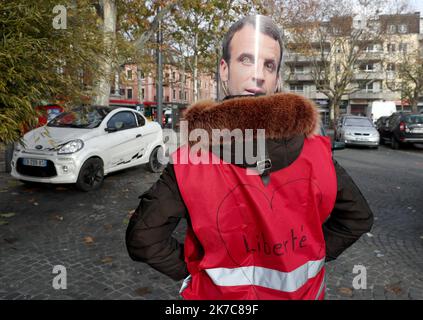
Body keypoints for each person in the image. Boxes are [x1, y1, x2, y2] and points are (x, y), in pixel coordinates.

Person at [126, 15, 373, 300]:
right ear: (224, 68)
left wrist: (195, 271)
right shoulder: (317, 152)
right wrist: (312, 254)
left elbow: (143, 239)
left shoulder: (190, 160)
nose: (258, 75)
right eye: (246, 60)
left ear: (277, 77)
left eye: (268, 65)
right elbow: (358, 218)